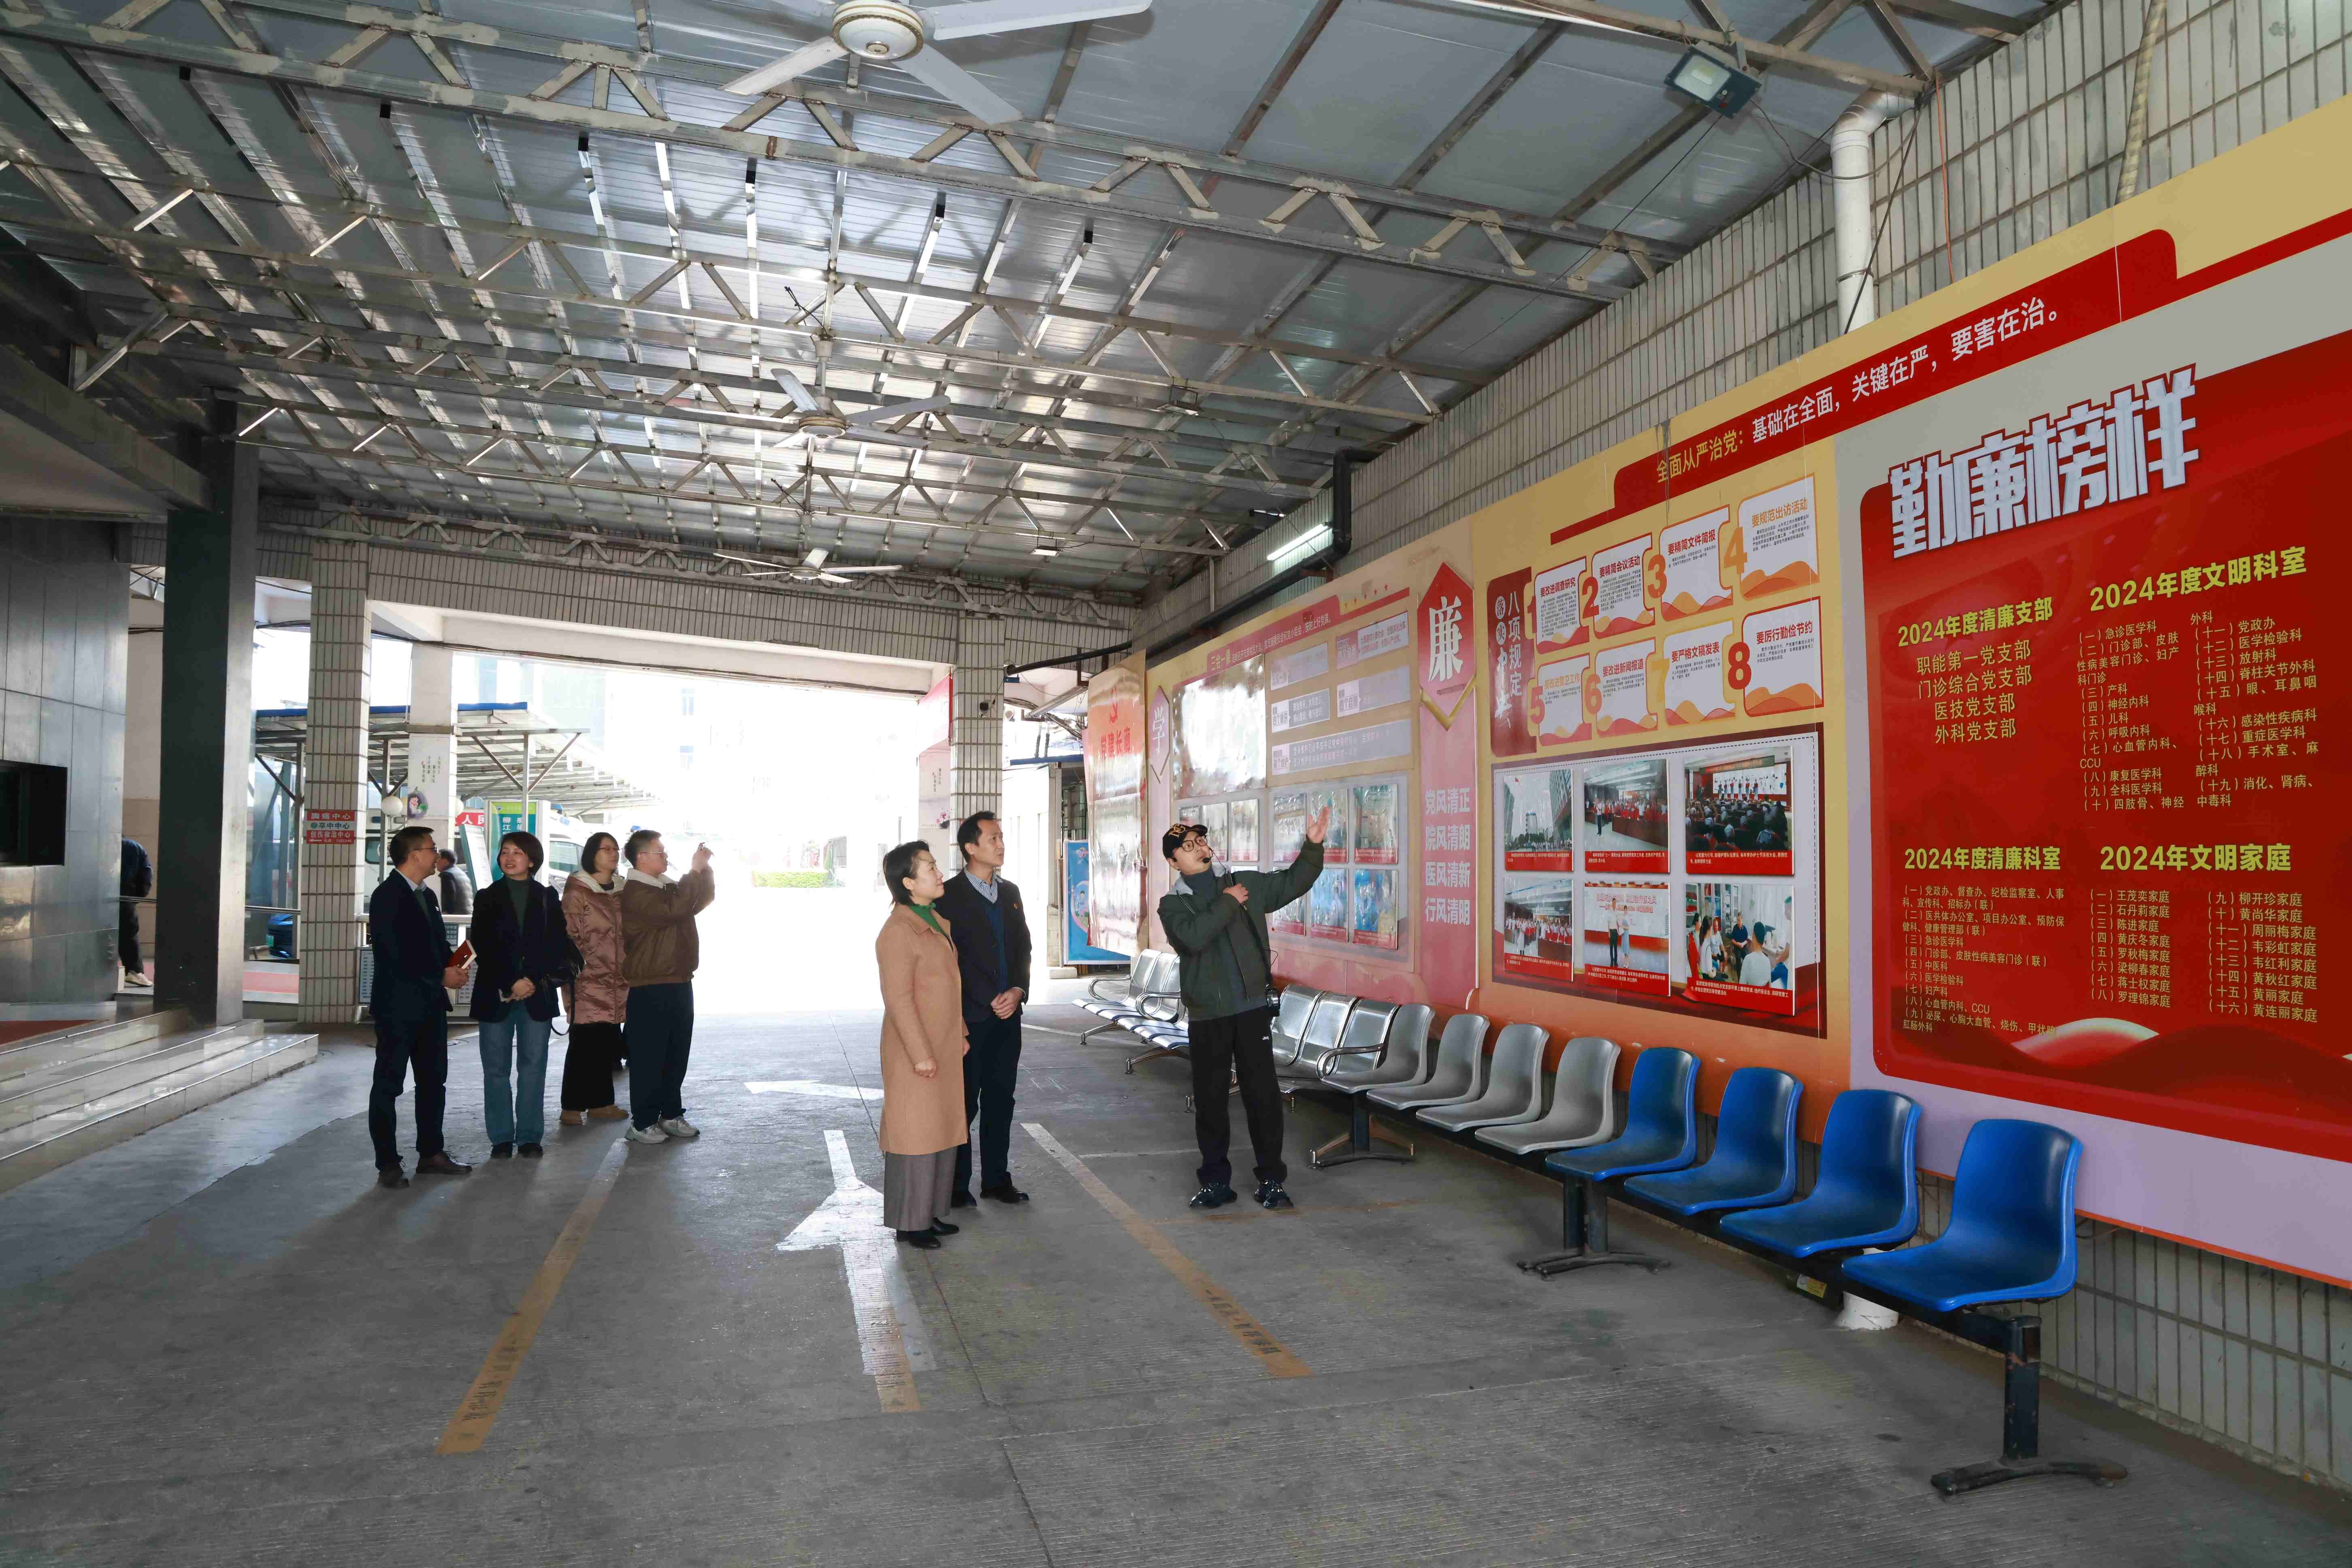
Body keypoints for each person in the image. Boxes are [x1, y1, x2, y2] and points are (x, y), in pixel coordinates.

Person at [1157, 807, 1327, 1212]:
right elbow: (1193, 939)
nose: (1199, 848)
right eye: (1188, 846)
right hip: (1208, 1015)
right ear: (1174, 862)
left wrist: (1313, 846)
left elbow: (1293, 882)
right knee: (1211, 1101)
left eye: (1201, 841)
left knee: (1262, 1097)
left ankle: (1272, 1180)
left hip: (1251, 1009)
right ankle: (1216, 1182)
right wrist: (1228, 903)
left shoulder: (1245, 882)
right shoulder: (1173, 905)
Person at [367, 825, 475, 1188]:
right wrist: (440, 976)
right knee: (389, 1085)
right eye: (432, 849)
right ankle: (388, 1163)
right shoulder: (387, 896)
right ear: (414, 855)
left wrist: (455, 964)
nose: (437, 855)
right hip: (397, 1008)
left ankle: (431, 1154)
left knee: (433, 1082)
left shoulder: (426, 895)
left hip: (430, 1006)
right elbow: (394, 956)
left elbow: (435, 945)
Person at [935, 811, 1033, 1208]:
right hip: (969, 1019)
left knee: (1001, 1099)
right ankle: (957, 1187)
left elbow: (1023, 948)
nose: (1001, 844)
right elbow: (948, 958)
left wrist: (1019, 989)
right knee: (964, 1103)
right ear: (971, 848)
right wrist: (987, 995)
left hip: (1009, 1018)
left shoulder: (1010, 893)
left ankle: (996, 1180)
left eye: (1001, 836)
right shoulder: (948, 896)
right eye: (993, 838)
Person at [874, 841, 969, 1248]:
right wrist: (921, 1054)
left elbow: (949, 985)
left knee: (941, 1130)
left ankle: (929, 1212)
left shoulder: (934, 921)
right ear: (909, 882)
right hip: (916, 1051)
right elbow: (898, 1000)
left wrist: (960, 1032)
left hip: (942, 1043)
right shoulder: (898, 932)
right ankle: (909, 1223)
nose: (939, 872)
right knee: (914, 1135)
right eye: (930, 867)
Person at [469, 831, 580, 1159]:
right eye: (505, 852)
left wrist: (530, 980)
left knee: (533, 1068)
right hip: (495, 994)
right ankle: (501, 1138)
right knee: (496, 1070)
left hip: (537, 994)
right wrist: (511, 982)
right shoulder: (486, 897)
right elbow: (483, 946)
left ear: (532, 860)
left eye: (517, 852)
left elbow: (555, 946)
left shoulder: (547, 897)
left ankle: (530, 1137)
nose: (509, 858)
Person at [619, 829, 716, 1145]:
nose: (665, 856)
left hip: (678, 980)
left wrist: (704, 870)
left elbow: (699, 901)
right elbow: (677, 908)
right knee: (649, 1058)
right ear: (641, 858)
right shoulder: (636, 891)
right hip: (651, 985)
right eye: (660, 852)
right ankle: (643, 1122)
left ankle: (671, 1114)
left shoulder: (666, 886)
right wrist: (694, 870)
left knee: (676, 1054)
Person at [560, 831, 631, 1126]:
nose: (613, 854)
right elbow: (569, 937)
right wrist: (582, 971)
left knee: (606, 1044)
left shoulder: (623, 890)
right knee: (583, 1045)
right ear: (592, 854)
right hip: (587, 980)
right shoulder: (578, 891)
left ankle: (602, 1104)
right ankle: (572, 1107)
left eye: (615, 849)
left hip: (617, 981)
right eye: (606, 849)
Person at [118, 836, 152, 989]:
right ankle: (135, 971)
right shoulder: (135, 847)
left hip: (98, 897)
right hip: (125, 898)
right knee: (129, 934)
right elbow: (146, 874)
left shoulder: (97, 843)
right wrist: (138, 896)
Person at [436, 849, 473, 915]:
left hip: (457, 916)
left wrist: (446, 913)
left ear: (445, 861)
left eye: (438, 860)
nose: (436, 863)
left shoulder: (447, 875)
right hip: (468, 914)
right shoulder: (461, 872)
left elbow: (449, 896)